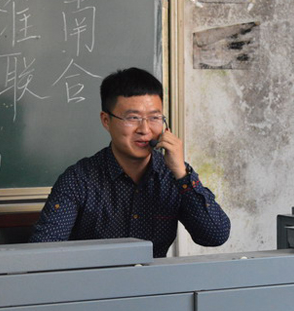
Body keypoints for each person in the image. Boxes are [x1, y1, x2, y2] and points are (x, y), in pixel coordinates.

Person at [29, 67, 230, 257]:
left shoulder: (173, 176)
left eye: (154, 118)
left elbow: (215, 236)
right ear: (106, 120)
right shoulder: (79, 180)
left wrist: (181, 172)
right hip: (95, 280)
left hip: (154, 281)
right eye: (133, 118)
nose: (145, 129)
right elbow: (43, 251)